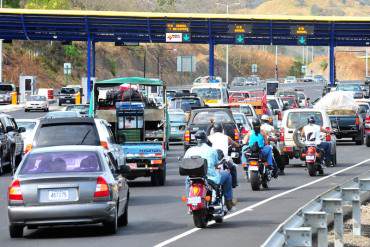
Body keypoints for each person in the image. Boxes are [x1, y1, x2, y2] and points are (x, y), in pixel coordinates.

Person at [184, 130, 234, 210]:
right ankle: (229, 202)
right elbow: (216, 163)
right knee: (227, 175)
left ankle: (189, 199)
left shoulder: (190, 150)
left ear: (196, 140)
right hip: (210, 177)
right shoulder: (211, 150)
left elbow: (185, 162)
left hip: (192, 178)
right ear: (205, 139)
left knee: (187, 180)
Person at [208, 122, 240, 188]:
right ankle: (234, 184)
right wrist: (239, 145)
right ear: (222, 130)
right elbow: (234, 144)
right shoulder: (226, 137)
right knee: (233, 168)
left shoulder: (209, 137)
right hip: (224, 160)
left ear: (213, 130)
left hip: (212, 160)